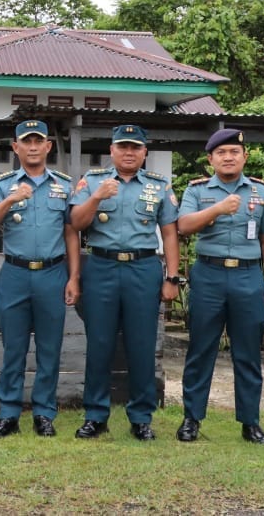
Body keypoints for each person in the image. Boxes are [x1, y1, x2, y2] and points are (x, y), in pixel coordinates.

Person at [68, 123, 180, 441]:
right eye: (123, 146)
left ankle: (141, 417)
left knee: (142, 345)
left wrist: (172, 276)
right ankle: (95, 415)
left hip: (143, 267)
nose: (129, 152)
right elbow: (75, 223)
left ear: (145, 153)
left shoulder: (159, 186)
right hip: (101, 266)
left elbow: (171, 233)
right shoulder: (92, 182)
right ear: (111, 151)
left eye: (135, 147)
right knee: (100, 344)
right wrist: (97, 197)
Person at [175, 128, 264, 445]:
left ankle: (250, 422)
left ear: (244, 157)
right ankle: (192, 418)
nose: (229, 157)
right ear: (211, 159)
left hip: (249, 277)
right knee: (200, 350)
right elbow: (183, 226)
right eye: (221, 153)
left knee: (247, 353)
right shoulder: (197, 191)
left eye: (234, 151)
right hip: (209, 275)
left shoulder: (261, 192)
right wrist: (217, 209)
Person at [0, 120, 80, 439]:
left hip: (52, 273)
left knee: (50, 348)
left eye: (39, 141)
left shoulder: (64, 185)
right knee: (14, 348)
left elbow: (71, 233)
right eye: (27, 141)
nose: (33, 146)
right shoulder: (3, 184)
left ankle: (44, 413)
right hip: (15, 273)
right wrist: (10, 200)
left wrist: (74, 276)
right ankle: (8, 413)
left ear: (48, 146)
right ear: (16, 148)